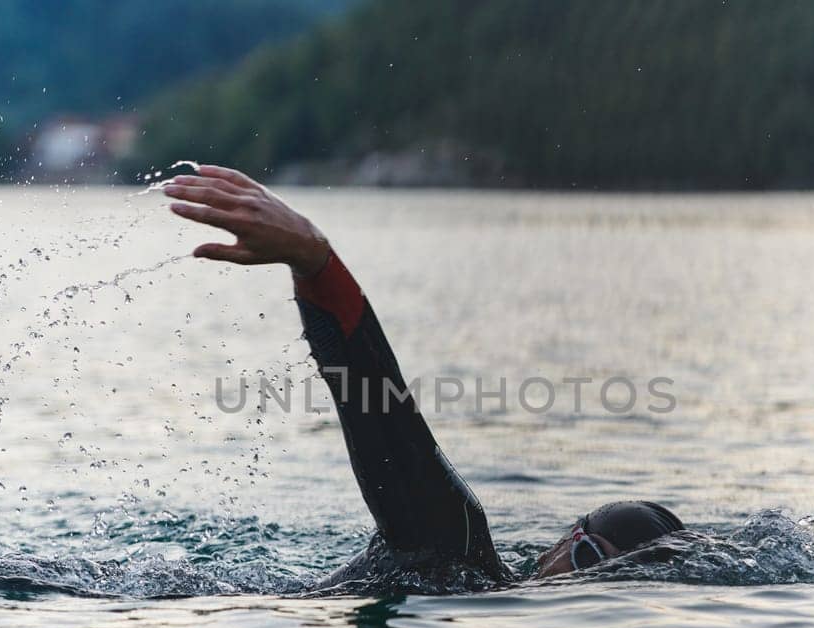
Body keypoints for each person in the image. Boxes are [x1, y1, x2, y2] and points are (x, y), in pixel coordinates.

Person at [164, 165, 685, 591]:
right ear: (559, 544)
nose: (588, 588)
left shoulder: (476, 583)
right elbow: (380, 414)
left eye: (611, 581)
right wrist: (317, 264)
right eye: (591, 559)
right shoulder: (454, 548)